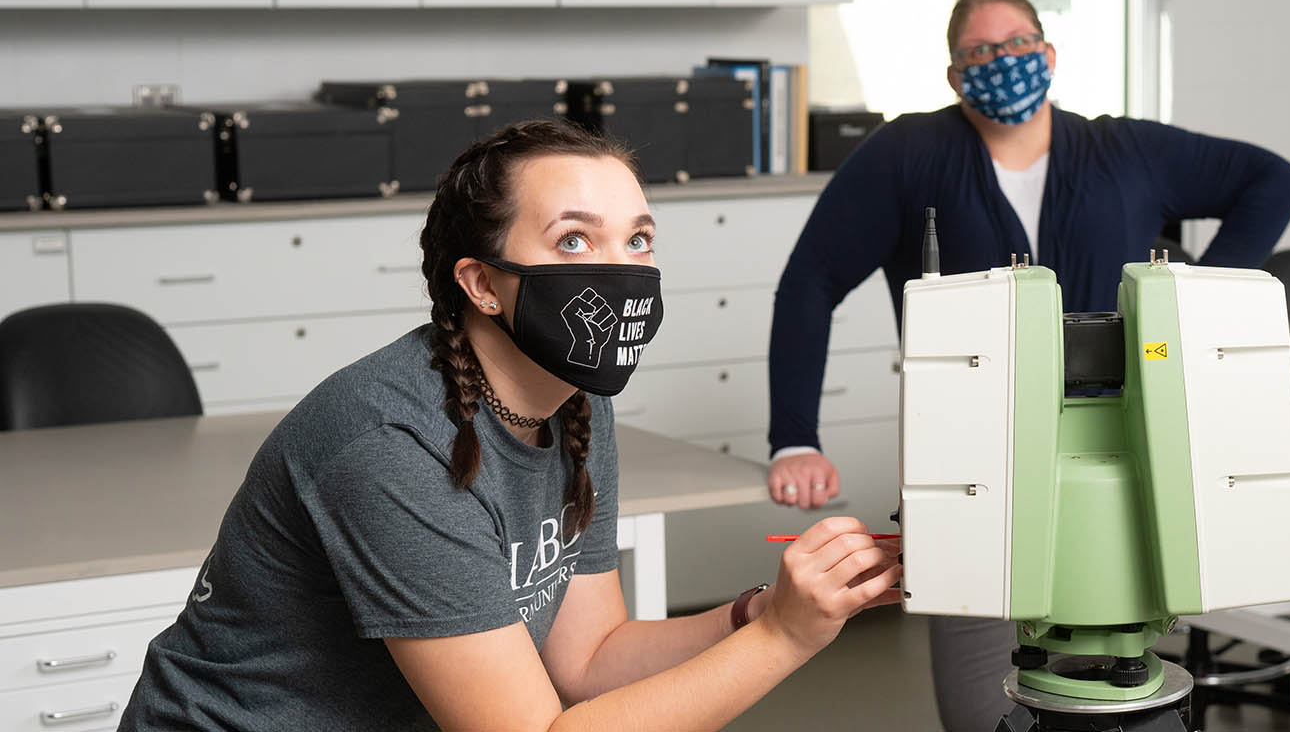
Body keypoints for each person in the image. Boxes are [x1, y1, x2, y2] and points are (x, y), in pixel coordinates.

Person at [120, 120, 902, 731]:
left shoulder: (576, 398)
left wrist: (756, 613)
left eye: (638, 238)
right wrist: (785, 641)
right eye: (574, 238)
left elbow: (588, 660)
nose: (623, 269)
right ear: (482, 283)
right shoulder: (390, 443)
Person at [765, 0, 1290, 731]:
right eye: (981, 51)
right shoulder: (907, 154)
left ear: (1049, 54)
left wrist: (1193, 299)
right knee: (984, 704)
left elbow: (1274, 180)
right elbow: (810, 280)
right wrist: (794, 435)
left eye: (1019, 43)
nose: (1004, 61)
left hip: (1127, 448)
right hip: (972, 457)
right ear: (954, 75)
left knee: (1123, 670)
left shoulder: (1124, 149)